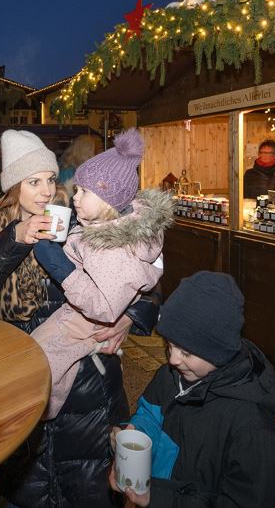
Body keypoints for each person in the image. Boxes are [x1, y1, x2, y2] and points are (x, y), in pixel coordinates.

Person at [0, 129, 160, 508]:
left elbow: (144, 280)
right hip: (17, 372)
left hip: (86, 383)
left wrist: (129, 315)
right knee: (25, 484)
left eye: (50, 179)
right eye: (34, 182)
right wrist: (17, 239)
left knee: (87, 483)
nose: (47, 191)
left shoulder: (84, 217)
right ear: (13, 186)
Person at [109, 271, 275, 507]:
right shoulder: (169, 377)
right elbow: (150, 417)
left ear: (217, 351)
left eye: (186, 352)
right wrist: (134, 436)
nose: (173, 360)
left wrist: (160, 498)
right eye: (169, 346)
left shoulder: (253, 431)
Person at [30, 128, 174, 419]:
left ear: (108, 199)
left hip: (84, 322)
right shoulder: (105, 227)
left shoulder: (112, 246)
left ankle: (35, 417)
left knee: (40, 368)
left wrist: (61, 267)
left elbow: (105, 306)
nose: (74, 197)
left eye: (84, 191)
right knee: (39, 357)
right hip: (75, 317)